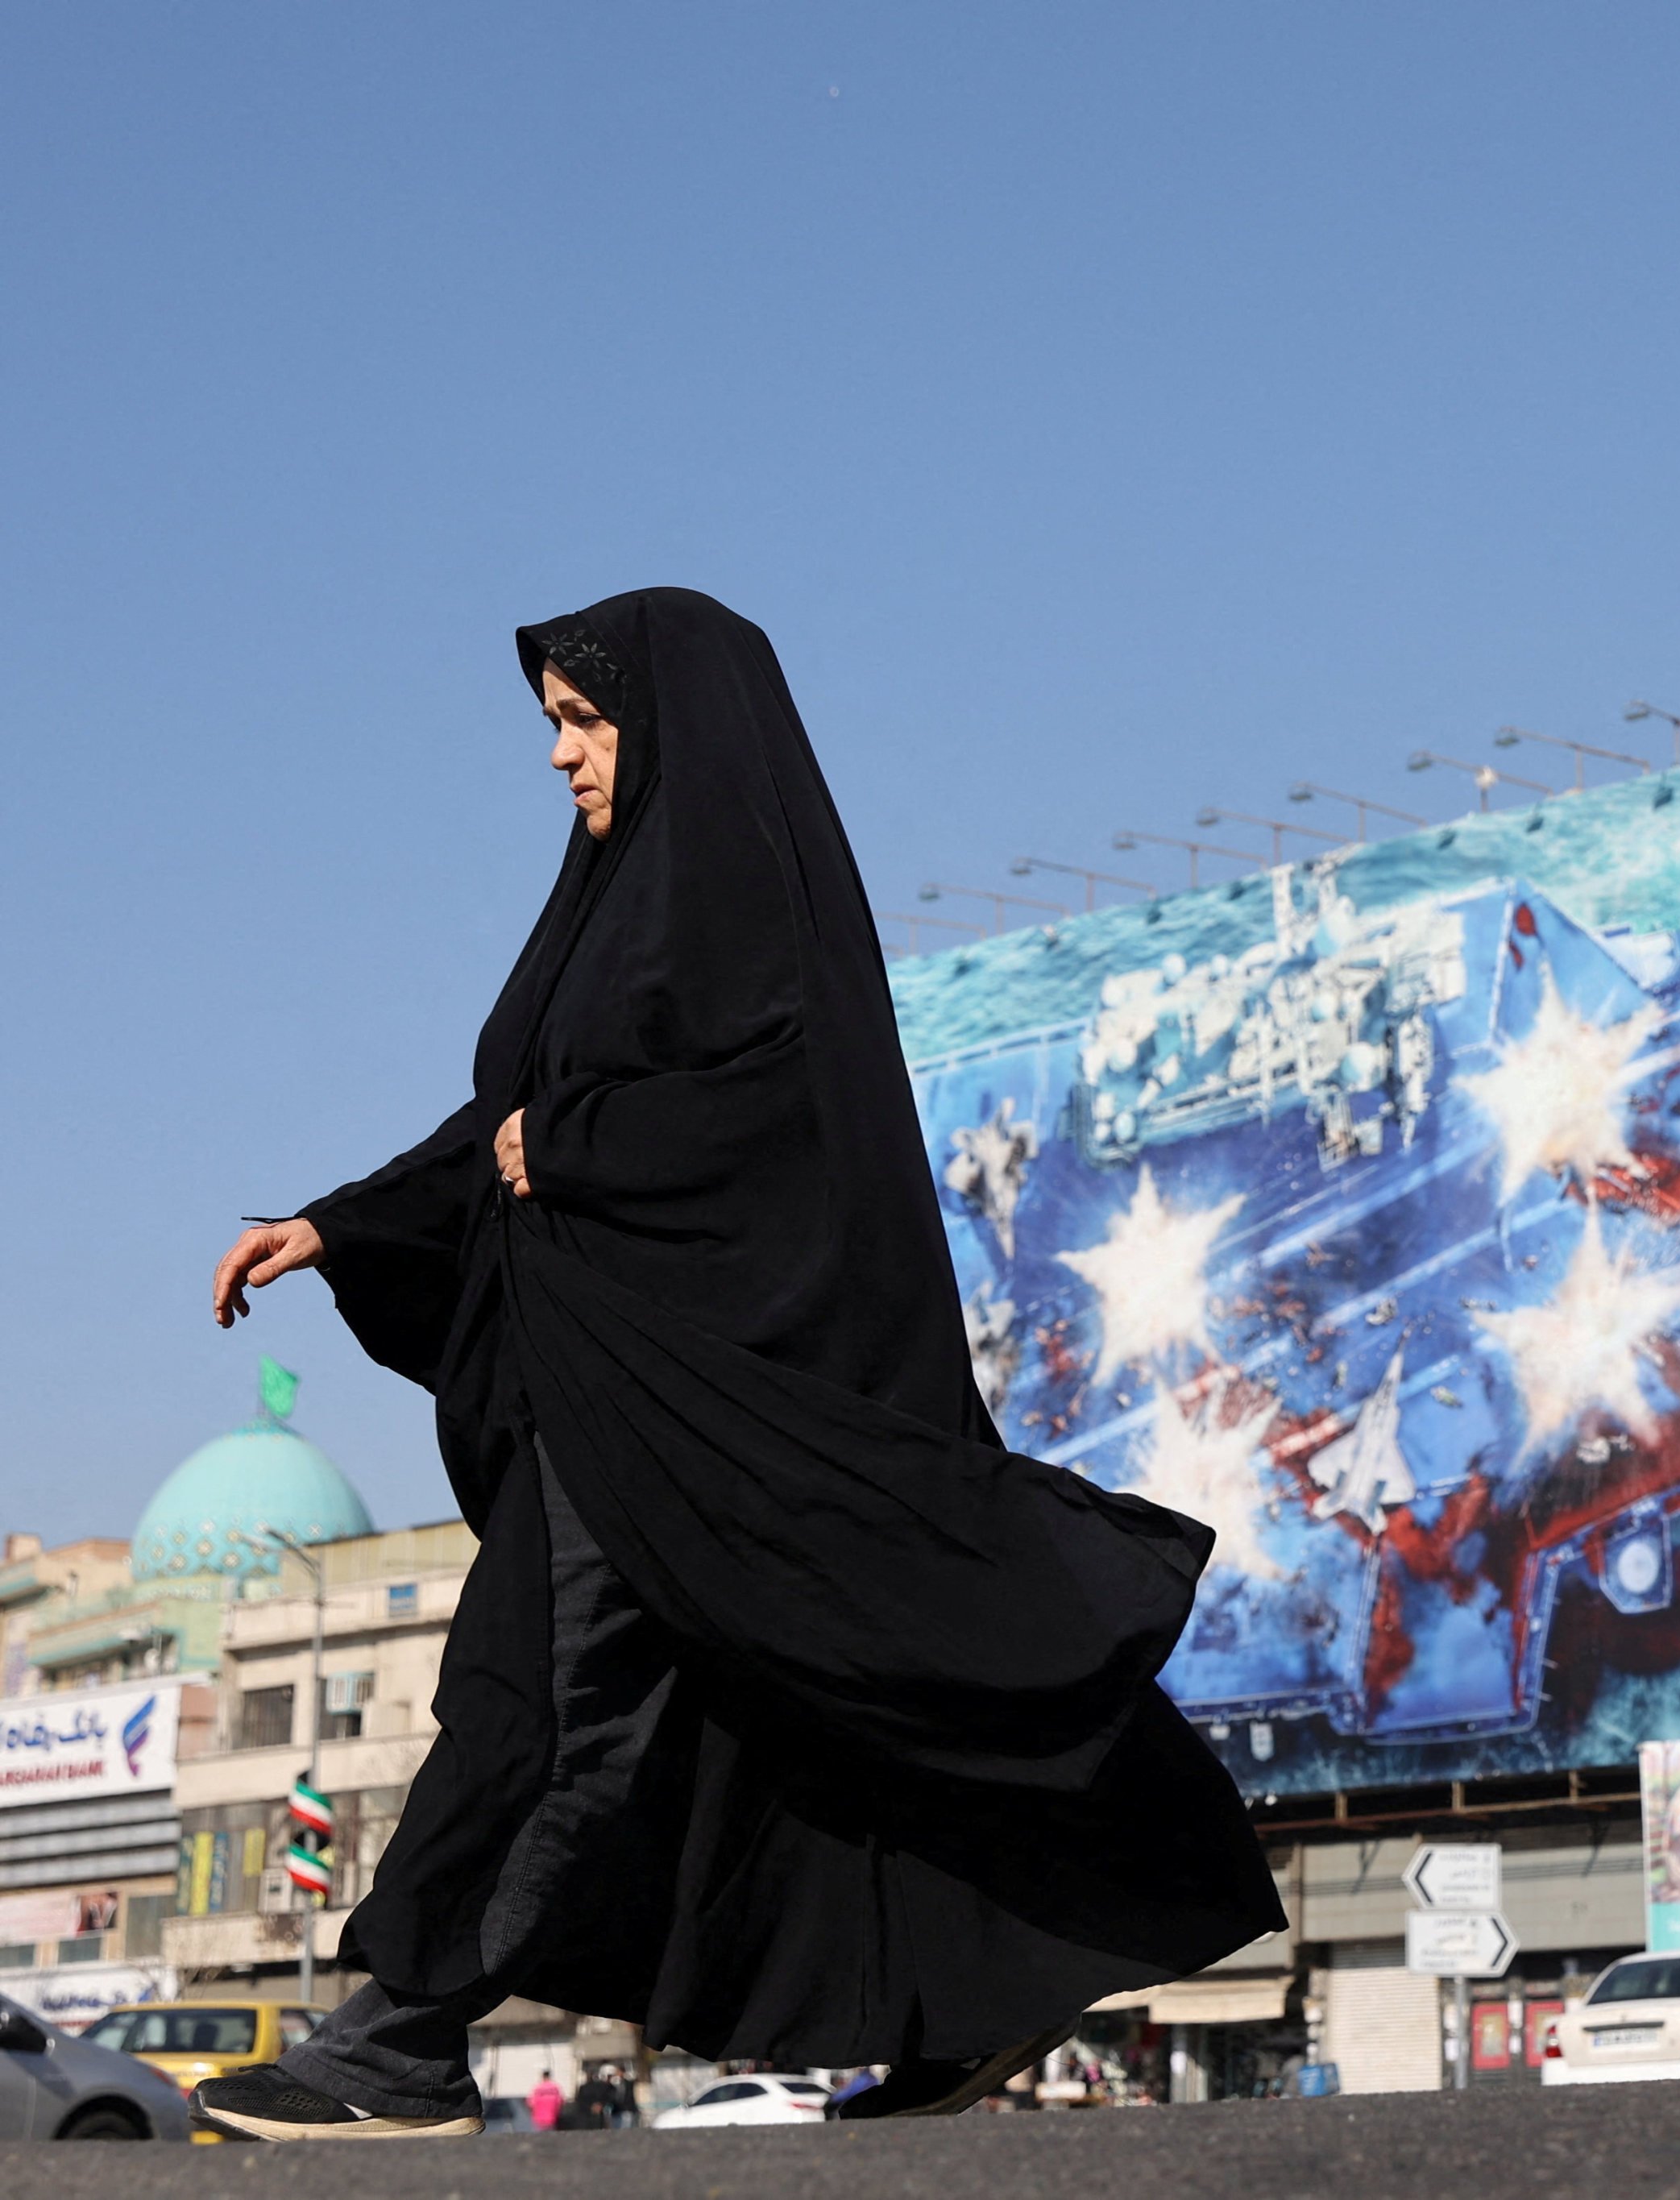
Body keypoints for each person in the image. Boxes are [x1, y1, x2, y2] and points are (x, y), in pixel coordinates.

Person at [189, 591, 1282, 2142]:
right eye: (554, 725)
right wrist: (341, 1222)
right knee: (779, 1715)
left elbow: (782, 1121)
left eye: (587, 721)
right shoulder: (602, 909)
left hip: (689, 1397)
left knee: (537, 1693)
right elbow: (501, 1126)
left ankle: (400, 2039)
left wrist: (572, 1142)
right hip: (608, 1385)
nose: (562, 756)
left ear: (675, 726)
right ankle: (981, 1988)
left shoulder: (749, 910)